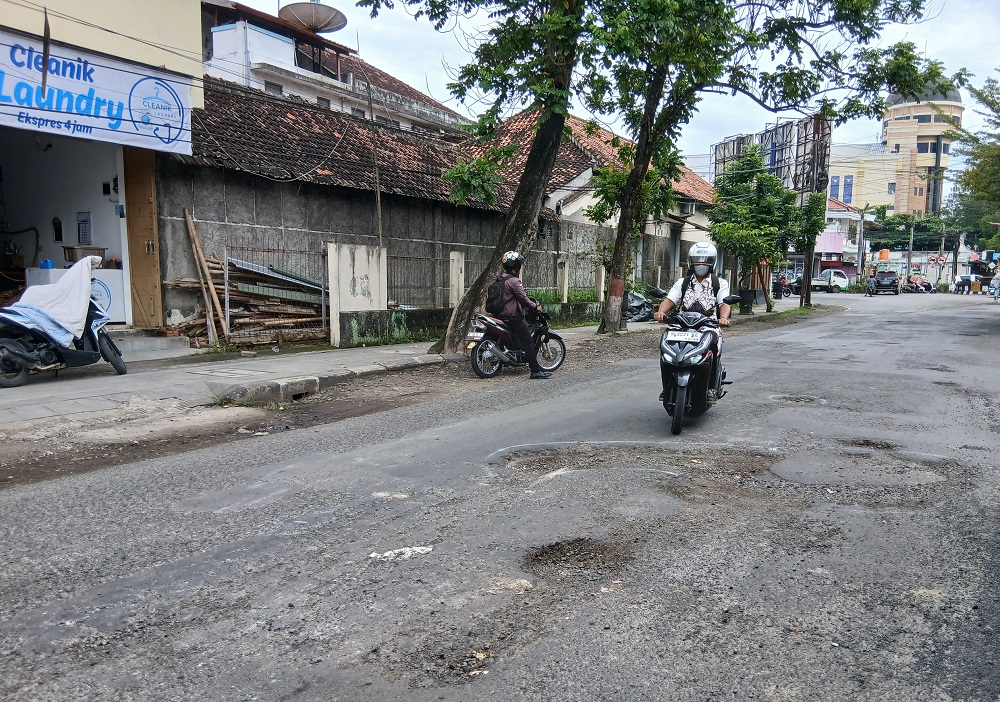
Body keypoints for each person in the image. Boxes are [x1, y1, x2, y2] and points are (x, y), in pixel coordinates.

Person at [653, 242, 732, 398]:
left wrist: (723, 318)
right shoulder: (682, 282)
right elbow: (670, 300)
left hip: (708, 325)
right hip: (681, 325)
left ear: (712, 262)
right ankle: (668, 386)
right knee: (666, 348)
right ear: (691, 262)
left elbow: (725, 303)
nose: (701, 264)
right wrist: (661, 312)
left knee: (714, 349)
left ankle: (711, 388)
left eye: (705, 260)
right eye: (697, 260)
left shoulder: (720, 283)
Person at [493, 251, 551, 379]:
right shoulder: (514, 281)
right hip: (511, 317)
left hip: (498, 315)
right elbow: (523, 298)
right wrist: (535, 306)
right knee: (528, 341)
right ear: (517, 267)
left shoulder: (500, 279)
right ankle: (535, 371)